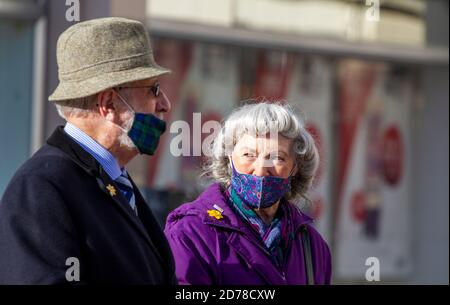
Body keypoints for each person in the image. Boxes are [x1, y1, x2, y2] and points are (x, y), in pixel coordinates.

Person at [0, 17, 176, 284]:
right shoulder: (41, 188)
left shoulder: (114, 178)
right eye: (154, 89)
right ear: (108, 104)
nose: (165, 104)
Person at [165, 102, 332, 284]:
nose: (261, 170)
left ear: (295, 168)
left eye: (277, 157)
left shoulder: (312, 246)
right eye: (248, 155)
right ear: (229, 158)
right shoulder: (191, 233)